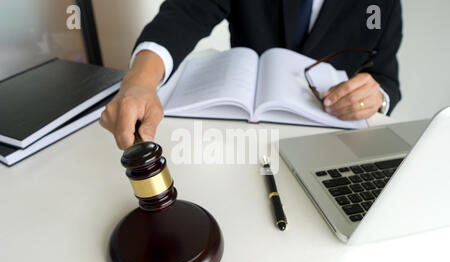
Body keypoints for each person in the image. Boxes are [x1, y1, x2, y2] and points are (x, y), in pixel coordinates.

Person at [100, 0, 402, 150]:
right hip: (243, 135)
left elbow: (386, 78)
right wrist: (140, 80)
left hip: (328, 143)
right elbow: (186, 13)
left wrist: (374, 97)